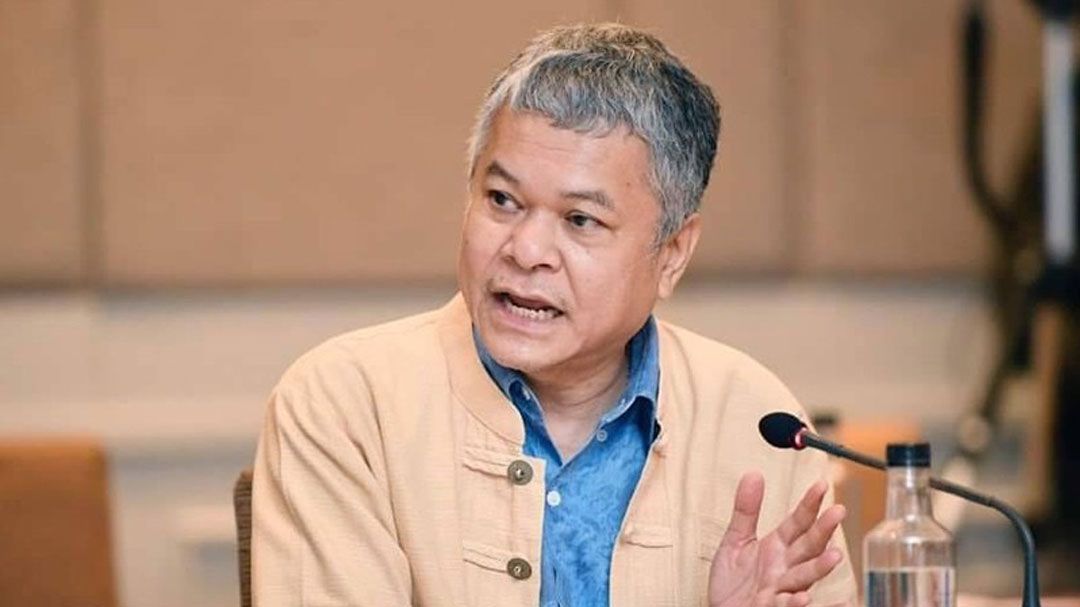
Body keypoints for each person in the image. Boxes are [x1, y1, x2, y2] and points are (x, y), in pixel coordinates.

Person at [252, 23, 856, 607]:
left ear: (672, 254)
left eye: (580, 220)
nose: (526, 250)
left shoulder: (755, 419)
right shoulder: (346, 404)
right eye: (502, 200)